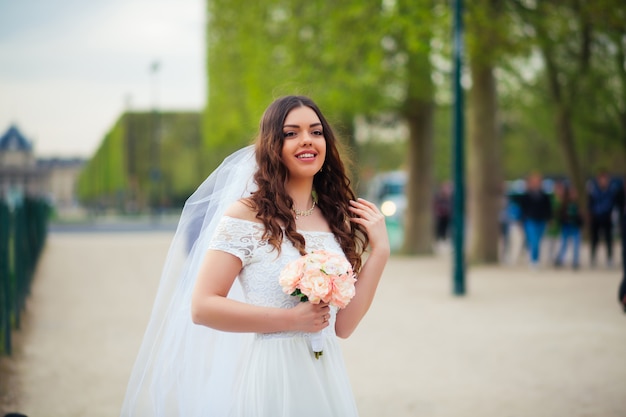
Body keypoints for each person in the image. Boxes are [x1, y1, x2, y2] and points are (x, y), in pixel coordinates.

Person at [120, 95, 390, 416]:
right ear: (272, 145)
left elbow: (342, 327)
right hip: (274, 374)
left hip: (326, 373)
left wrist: (380, 252)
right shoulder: (246, 216)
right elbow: (202, 306)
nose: (307, 140)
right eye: (291, 133)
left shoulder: (333, 218)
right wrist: (291, 320)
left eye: (316, 132)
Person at [519, 172, 552, 268]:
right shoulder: (526, 195)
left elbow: (548, 208)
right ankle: (534, 260)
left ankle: (535, 258)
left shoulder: (544, 195)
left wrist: (549, 218)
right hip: (530, 220)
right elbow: (522, 209)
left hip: (541, 220)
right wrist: (521, 220)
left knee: (538, 240)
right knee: (534, 241)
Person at [588, 170, 617, 268]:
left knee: (608, 239)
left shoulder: (611, 191)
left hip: (607, 218)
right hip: (596, 218)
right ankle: (593, 258)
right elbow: (590, 204)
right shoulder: (594, 191)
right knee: (594, 239)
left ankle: (609, 258)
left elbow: (613, 204)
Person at [553, 186, 583, 270]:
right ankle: (560, 259)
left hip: (575, 226)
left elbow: (581, 217)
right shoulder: (565, 204)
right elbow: (560, 215)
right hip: (566, 226)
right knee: (563, 244)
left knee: (576, 244)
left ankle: (575, 261)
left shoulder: (577, 204)